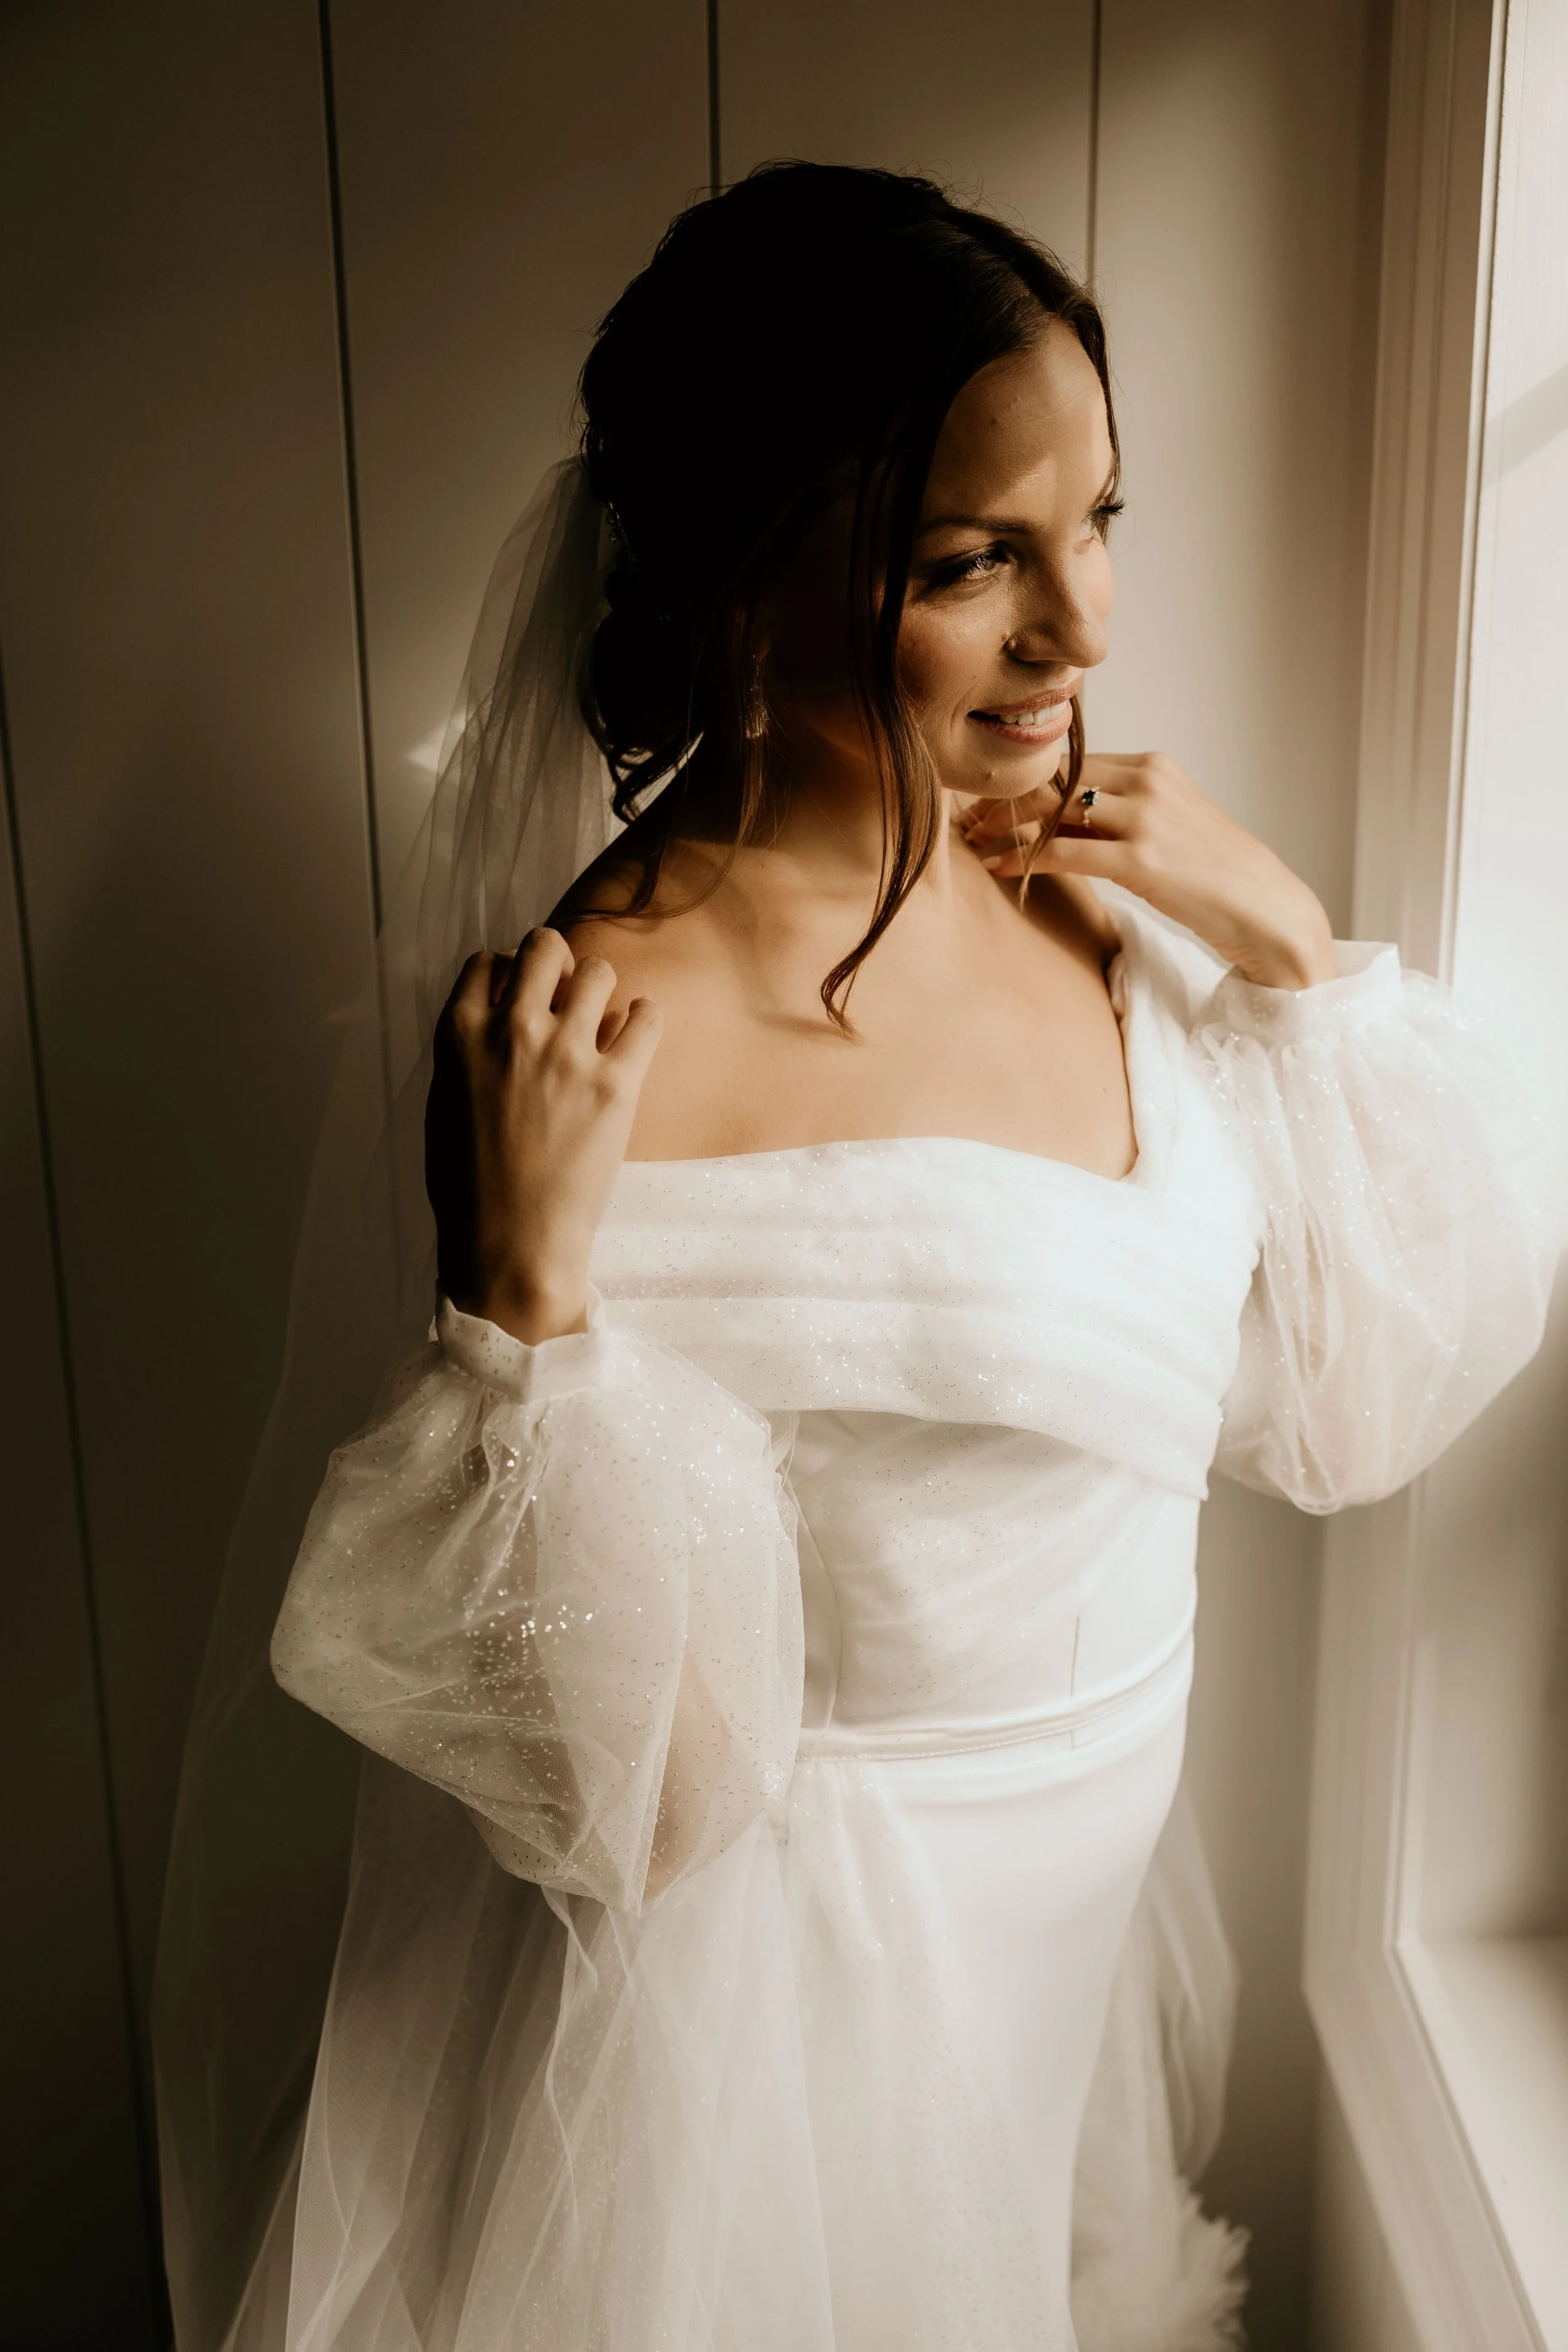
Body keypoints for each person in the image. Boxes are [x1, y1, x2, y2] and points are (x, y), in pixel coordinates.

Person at [161, 164, 1554, 2352]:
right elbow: (638, 1802)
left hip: (1056, 1969)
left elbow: (1354, 1406)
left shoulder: (1087, 892)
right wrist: (524, 1330)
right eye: (971, 560)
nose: (1079, 629)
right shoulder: (601, 1039)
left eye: (1097, 519)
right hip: (770, 2058)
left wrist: (1287, 955)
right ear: (747, 593)